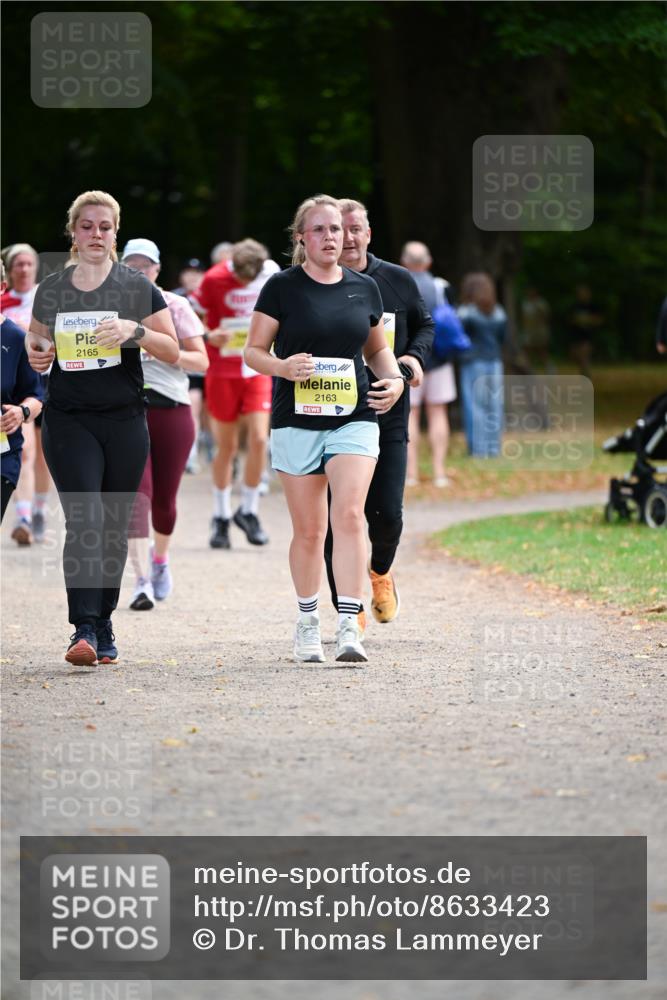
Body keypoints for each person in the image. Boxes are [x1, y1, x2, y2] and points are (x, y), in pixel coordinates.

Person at [245, 194, 405, 663]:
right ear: (301, 238)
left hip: (353, 416)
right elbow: (252, 352)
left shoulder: (364, 289)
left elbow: (377, 351)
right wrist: (282, 367)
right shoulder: (282, 288)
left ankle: (349, 625)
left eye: (336, 229)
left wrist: (393, 379)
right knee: (310, 530)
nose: (331, 237)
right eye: (319, 230)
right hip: (297, 420)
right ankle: (307, 621)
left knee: (351, 515)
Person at [26, 190, 179, 667]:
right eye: (87, 225)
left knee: (113, 523)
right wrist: (39, 352)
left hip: (126, 418)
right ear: (73, 232)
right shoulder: (53, 288)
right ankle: (83, 627)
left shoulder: (136, 287)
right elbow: (36, 342)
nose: (96, 234)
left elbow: (172, 351)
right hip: (70, 418)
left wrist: (134, 331)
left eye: (105, 227)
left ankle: (105, 621)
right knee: (85, 519)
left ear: (116, 233)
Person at [322, 202, 434, 627]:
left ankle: (380, 572)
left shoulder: (396, 279)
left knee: (386, 513)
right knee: (340, 514)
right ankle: (347, 608)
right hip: (334, 412)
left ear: (369, 233)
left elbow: (425, 325)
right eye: (340, 230)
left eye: (356, 229)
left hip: (387, 410)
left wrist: (413, 359)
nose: (348, 238)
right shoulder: (317, 283)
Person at [121, 239, 209, 610]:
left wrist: (160, 350)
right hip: (127, 409)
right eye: (132, 265)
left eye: (147, 266)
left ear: (157, 271)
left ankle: (159, 561)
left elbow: (201, 362)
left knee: (164, 500)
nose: (139, 271)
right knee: (137, 496)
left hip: (171, 406)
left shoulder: (176, 305)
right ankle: (140, 581)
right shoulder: (110, 306)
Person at [197, 239, 278, 549]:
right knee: (226, 446)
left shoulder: (270, 273)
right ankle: (219, 516)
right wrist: (209, 335)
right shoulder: (214, 278)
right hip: (222, 369)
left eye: (251, 279)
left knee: (259, 439)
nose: (246, 283)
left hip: (256, 368)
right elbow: (197, 317)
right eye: (241, 279)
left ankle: (249, 511)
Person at [1, 242, 52, 544]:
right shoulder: (5, 302)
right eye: (17, 263)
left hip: (43, 381)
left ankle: (39, 512)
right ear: (9, 270)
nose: (23, 268)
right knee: (27, 450)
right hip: (13, 386)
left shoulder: (45, 298)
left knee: (44, 456)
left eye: (28, 263)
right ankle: (23, 516)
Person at [400, 240, 457, 488]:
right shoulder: (441, 286)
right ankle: (439, 473)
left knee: (410, 414)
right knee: (438, 412)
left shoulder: (398, 285)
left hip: (408, 360)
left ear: (404, 262)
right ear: (428, 262)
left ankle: (410, 475)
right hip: (440, 358)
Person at [457, 272, 506, 458]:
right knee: (494, 405)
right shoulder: (499, 311)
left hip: (473, 363)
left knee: (475, 405)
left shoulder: (465, 311)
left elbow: (457, 337)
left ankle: (478, 450)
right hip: (494, 363)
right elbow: (502, 338)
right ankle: (494, 449)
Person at [568, 284, 603, 379]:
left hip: (588, 336)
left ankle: (586, 377)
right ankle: (584, 373)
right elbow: (570, 320)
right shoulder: (575, 306)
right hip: (576, 336)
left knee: (584, 357)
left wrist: (589, 320)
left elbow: (599, 320)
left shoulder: (593, 306)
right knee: (575, 357)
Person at [520, 286, 552, 373]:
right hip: (528, 331)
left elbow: (546, 316)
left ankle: (549, 367)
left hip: (539, 330)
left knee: (541, 350)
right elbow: (524, 318)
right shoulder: (525, 303)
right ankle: (529, 369)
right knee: (526, 350)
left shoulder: (541, 303)